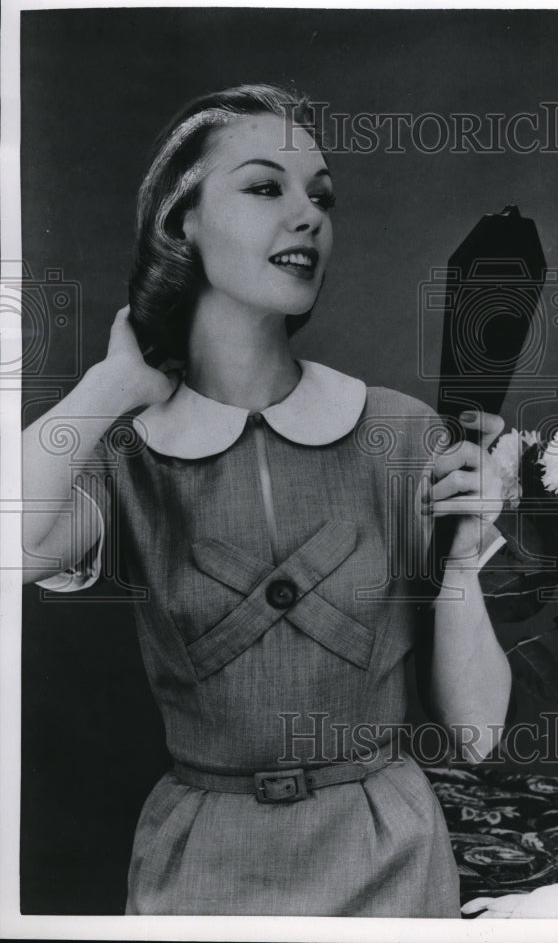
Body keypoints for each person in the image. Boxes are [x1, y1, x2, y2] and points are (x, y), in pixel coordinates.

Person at [22, 83, 512, 917]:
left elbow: (477, 734)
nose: (308, 215)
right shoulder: (123, 456)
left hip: (388, 859)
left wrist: (464, 557)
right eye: (264, 187)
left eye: (320, 195)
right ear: (182, 222)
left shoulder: (404, 432)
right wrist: (109, 387)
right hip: (199, 871)